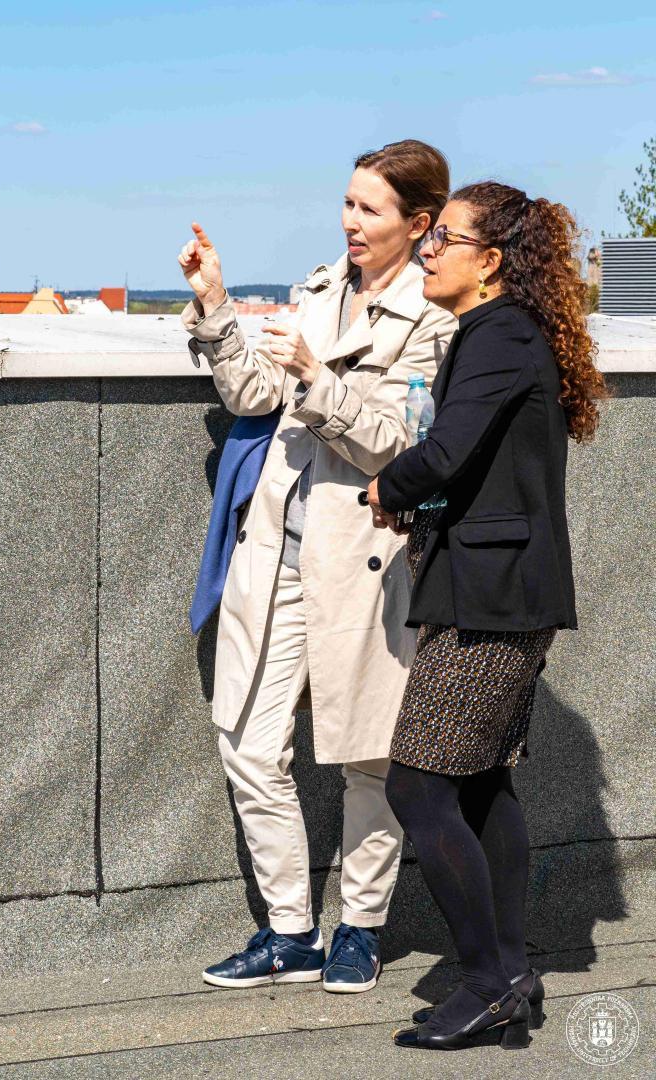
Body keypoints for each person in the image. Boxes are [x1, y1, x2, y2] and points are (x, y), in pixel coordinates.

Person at [179, 141, 456, 992]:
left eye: (370, 209)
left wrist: (313, 376)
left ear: (418, 223)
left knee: (370, 756)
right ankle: (291, 930)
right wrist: (216, 304)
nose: (350, 222)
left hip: (366, 562)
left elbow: (399, 447)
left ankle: (360, 929)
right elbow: (253, 397)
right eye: (347, 203)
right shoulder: (320, 287)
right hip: (275, 555)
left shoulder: (432, 317)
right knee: (248, 742)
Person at [367, 181, 607, 1050]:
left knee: (417, 785)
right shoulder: (497, 332)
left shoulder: (500, 335)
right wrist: (420, 503)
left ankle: (489, 980)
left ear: (491, 261)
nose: (426, 249)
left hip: (494, 594)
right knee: (479, 783)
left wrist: (387, 487)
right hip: (495, 585)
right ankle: (511, 972)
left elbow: (444, 452)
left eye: (443, 238)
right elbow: (478, 467)